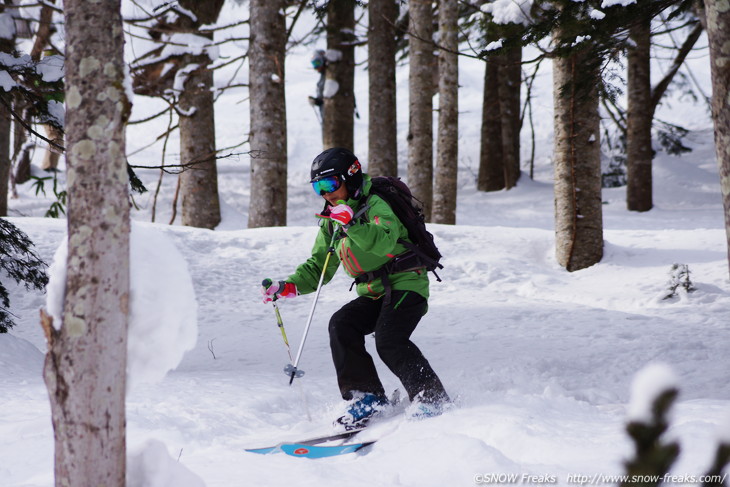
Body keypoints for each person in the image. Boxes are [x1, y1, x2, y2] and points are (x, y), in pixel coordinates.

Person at [261, 147, 450, 429]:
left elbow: (385, 240)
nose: (325, 194)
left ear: (350, 177)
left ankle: (431, 397)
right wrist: (288, 286)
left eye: (329, 184)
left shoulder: (376, 204)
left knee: (389, 340)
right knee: (342, 324)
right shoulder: (333, 220)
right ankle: (367, 396)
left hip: (407, 283)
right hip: (373, 290)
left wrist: (352, 225)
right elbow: (318, 266)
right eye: (318, 188)